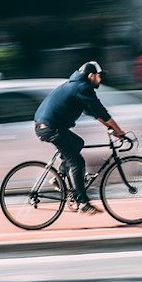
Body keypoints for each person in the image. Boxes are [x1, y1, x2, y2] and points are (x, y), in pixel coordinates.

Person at [34, 61, 128, 215]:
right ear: (90, 75)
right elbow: (101, 111)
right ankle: (83, 202)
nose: (100, 79)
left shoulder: (76, 85)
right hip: (51, 128)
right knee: (77, 161)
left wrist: (111, 127)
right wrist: (119, 131)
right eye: (99, 76)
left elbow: (95, 113)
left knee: (78, 143)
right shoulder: (83, 87)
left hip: (48, 126)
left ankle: (60, 177)